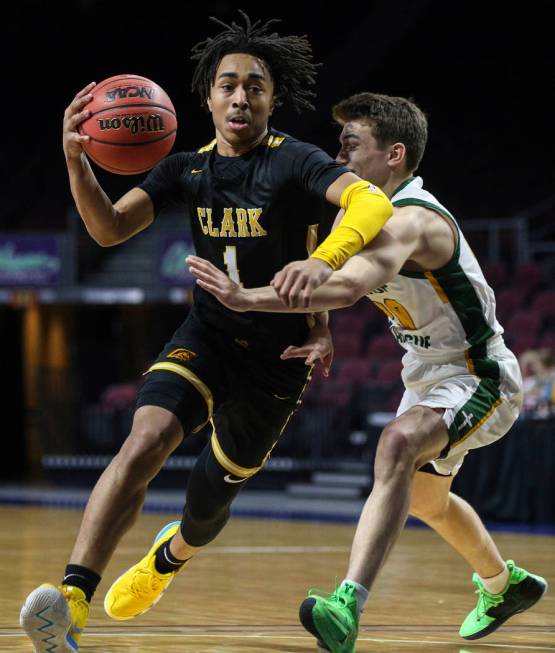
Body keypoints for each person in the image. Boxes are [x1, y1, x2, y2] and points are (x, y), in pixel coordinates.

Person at [19, 15, 394, 653]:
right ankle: (72, 601)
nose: (241, 96)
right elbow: (108, 230)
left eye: (255, 85)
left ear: (272, 100)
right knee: (145, 439)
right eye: (228, 85)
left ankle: (169, 557)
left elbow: (372, 204)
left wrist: (323, 262)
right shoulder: (185, 170)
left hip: (279, 355)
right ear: (208, 97)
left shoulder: (296, 162)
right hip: (209, 333)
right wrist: (75, 160)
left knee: (205, 507)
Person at [187, 92, 548, 653]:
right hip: (428, 376)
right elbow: (337, 283)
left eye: (351, 145)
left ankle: (347, 604)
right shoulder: (366, 216)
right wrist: (320, 324)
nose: (339, 157)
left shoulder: (412, 222)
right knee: (427, 502)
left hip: (480, 375)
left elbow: (350, 283)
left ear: (394, 155)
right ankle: (506, 587)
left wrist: (245, 299)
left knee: (396, 445)